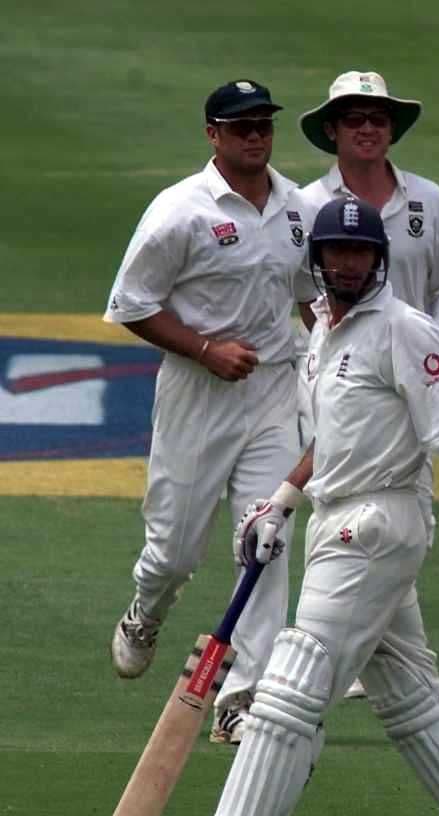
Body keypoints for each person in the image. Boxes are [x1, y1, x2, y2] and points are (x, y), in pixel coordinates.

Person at [158, 197, 439, 816]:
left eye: (361, 253)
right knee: (410, 693)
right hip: (336, 517)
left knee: (291, 682)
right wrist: (281, 499)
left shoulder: (404, 330)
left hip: (374, 525)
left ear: (379, 260)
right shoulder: (325, 337)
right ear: (320, 260)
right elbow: (330, 443)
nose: (349, 263)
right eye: (337, 252)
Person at [105, 79, 312, 744]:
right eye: (241, 126)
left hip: (274, 392)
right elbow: (131, 302)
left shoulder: (298, 207)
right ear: (213, 134)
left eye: (264, 125)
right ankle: (146, 610)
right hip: (199, 394)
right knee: (173, 552)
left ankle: (246, 696)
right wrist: (204, 349)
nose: (256, 136)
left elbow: (312, 296)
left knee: (266, 539)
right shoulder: (180, 211)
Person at [296, 70, 439, 701]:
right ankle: (383, 662)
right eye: (354, 118)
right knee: (363, 507)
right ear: (332, 131)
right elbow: (304, 294)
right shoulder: (308, 203)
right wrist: (345, 351)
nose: (369, 128)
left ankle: (360, 654)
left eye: (378, 117)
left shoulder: (429, 201)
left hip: (415, 379)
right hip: (350, 386)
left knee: (393, 508)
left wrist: (426, 354)